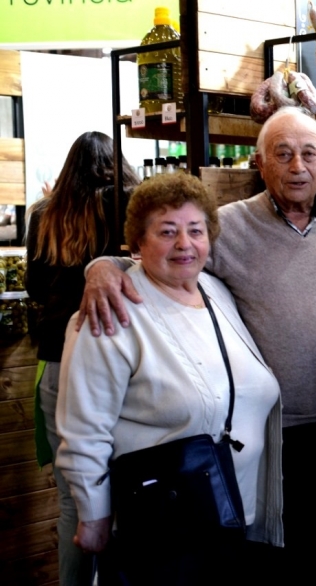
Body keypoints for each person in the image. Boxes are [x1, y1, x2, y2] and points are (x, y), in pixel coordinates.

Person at [78, 106, 316, 577]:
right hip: (269, 433)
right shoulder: (227, 226)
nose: (297, 166)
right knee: (275, 562)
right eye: (282, 154)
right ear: (259, 163)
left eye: (309, 153)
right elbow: (167, 257)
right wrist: (101, 267)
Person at [54, 173, 283, 584]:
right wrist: (94, 515)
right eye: (167, 231)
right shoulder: (111, 312)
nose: (184, 244)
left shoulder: (216, 292)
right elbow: (85, 430)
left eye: (195, 231)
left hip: (235, 514)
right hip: (163, 524)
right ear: (137, 242)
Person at [25, 131, 139, 586]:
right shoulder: (127, 202)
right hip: (114, 354)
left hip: (56, 356)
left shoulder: (44, 214)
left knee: (76, 500)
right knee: (127, 491)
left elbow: (35, 287)